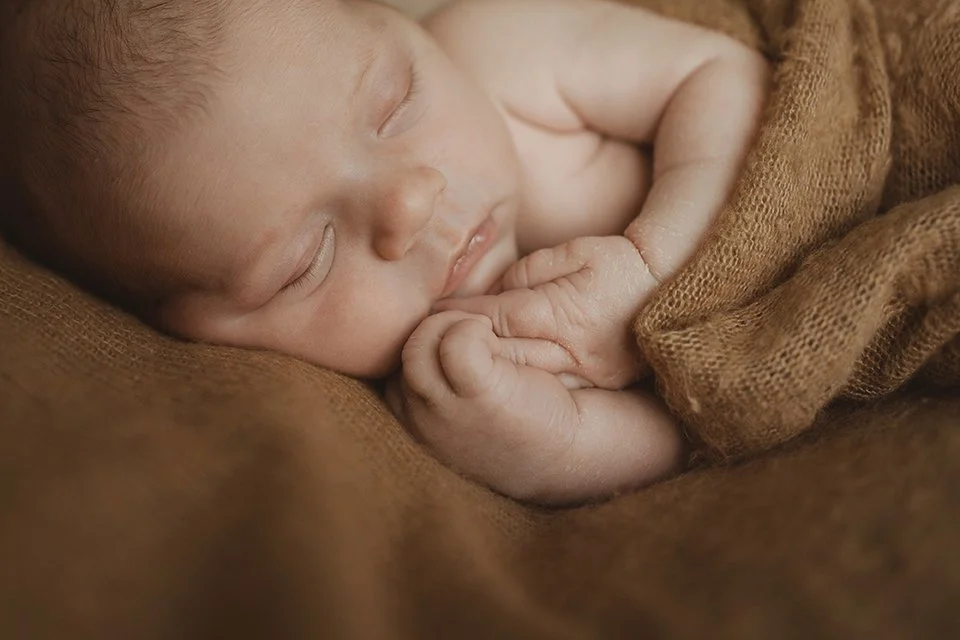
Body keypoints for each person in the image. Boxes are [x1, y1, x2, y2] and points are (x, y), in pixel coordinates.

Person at [0, 0, 769, 504]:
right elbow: (708, 425)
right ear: (191, 331)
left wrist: (654, 266)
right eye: (308, 259)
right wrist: (562, 446)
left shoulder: (497, 49)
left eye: (395, 107)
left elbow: (722, 73)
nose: (409, 201)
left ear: (395, 22)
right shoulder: (449, 373)